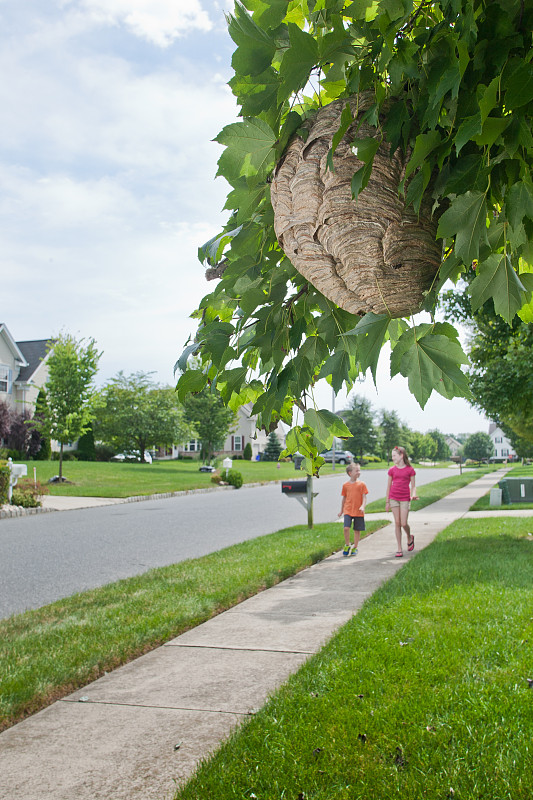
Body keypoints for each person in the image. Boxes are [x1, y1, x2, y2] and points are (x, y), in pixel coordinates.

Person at [385, 446, 418, 558]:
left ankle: (409, 537)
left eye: (394, 455)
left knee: (404, 523)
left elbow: (413, 486)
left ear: (401, 455)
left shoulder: (410, 470)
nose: (392, 457)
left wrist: (413, 494)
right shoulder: (392, 470)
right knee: (397, 523)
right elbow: (388, 487)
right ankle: (399, 548)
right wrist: (387, 502)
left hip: (405, 498)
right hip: (394, 498)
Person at [338, 462, 368, 557]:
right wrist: (341, 510)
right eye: (357, 470)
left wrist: (363, 506)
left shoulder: (362, 484)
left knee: (356, 530)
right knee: (346, 528)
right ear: (350, 473)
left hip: (358, 511)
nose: (359, 472)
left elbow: (364, 497)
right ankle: (347, 545)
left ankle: (355, 547)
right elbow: (344, 498)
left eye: (359, 470)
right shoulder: (345, 485)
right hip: (348, 510)